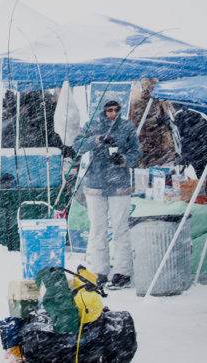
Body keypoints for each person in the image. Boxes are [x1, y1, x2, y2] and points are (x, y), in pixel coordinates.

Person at [73, 100, 140, 289]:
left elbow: (137, 152)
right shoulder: (92, 125)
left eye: (116, 110)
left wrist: (124, 159)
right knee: (97, 229)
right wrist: (95, 140)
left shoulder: (127, 126)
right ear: (102, 111)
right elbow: (77, 145)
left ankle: (122, 271)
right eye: (109, 110)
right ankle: (100, 270)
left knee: (120, 229)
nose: (112, 113)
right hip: (95, 183)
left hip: (120, 185)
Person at [129, 78, 176, 167]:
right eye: (149, 86)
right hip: (147, 142)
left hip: (159, 143)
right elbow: (134, 121)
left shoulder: (162, 100)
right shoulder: (138, 102)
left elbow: (171, 115)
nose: (150, 89)